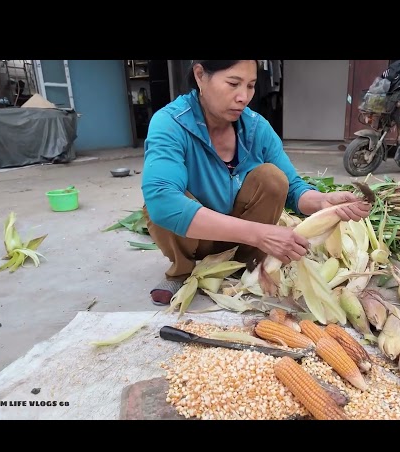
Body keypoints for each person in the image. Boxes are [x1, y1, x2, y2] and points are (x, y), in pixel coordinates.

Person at [141, 60, 372, 306]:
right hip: (194, 239)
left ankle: (246, 264)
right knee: (163, 200)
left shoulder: (256, 128)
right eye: (233, 83)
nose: (244, 97)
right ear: (200, 75)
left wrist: (323, 201)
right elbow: (162, 201)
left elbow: (294, 188)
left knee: (272, 178)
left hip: (245, 242)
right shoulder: (170, 123)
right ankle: (182, 270)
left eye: (250, 86)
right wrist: (260, 234)